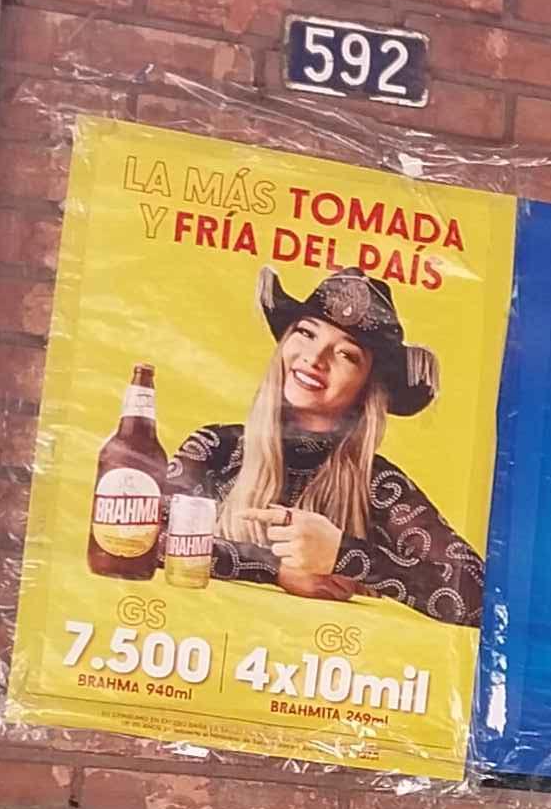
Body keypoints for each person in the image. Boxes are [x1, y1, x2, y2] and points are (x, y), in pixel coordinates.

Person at [170, 265, 484, 623]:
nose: (314, 358)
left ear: (367, 386)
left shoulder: (379, 487)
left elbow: (479, 596)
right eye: (306, 333)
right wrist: (275, 568)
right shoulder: (215, 449)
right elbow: (140, 534)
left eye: (346, 354)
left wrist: (341, 554)